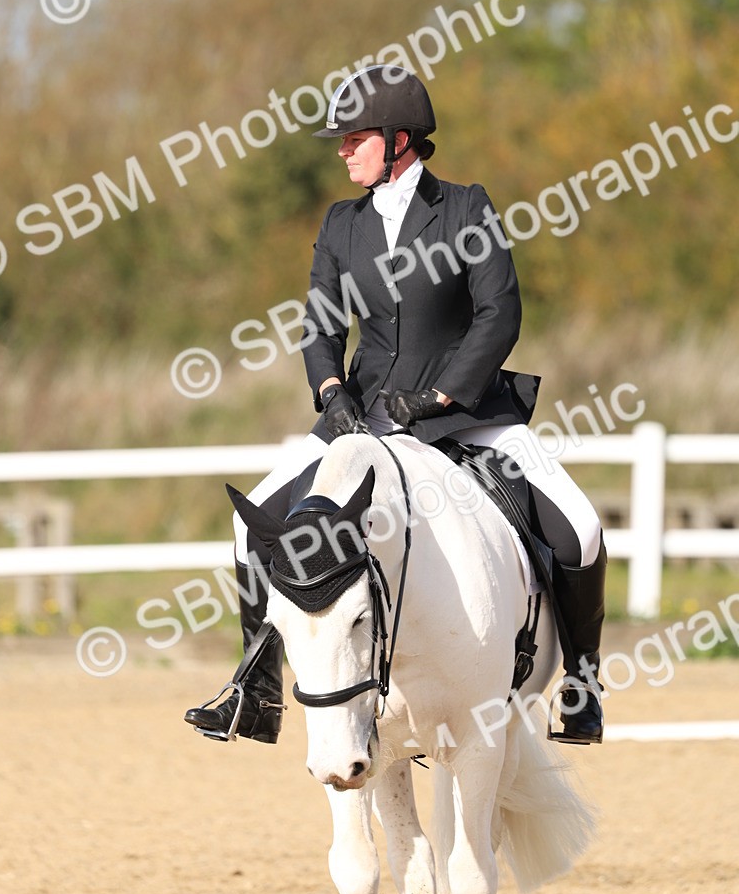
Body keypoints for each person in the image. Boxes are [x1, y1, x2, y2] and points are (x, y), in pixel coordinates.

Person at [185, 65, 606, 746]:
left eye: (355, 138)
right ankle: (256, 689)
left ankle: (581, 687)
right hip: (363, 416)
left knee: (580, 529)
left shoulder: (467, 208)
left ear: (398, 139)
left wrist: (443, 393)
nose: (343, 150)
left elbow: (498, 316)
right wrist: (330, 392)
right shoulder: (341, 223)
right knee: (248, 529)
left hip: (466, 414)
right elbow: (320, 324)